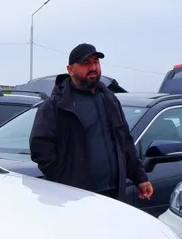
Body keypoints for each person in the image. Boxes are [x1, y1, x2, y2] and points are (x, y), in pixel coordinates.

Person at [29, 43, 154, 203]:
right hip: (75, 198)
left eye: (96, 62)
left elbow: (125, 142)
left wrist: (140, 178)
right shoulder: (57, 105)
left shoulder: (109, 99)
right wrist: (64, 181)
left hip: (114, 195)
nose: (93, 67)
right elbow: (40, 148)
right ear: (70, 70)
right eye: (86, 63)